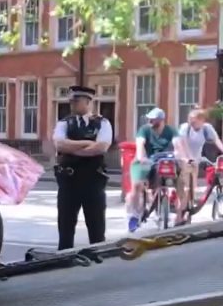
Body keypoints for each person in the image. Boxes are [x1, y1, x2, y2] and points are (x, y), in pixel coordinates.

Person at [52, 85, 113, 250]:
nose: (72, 105)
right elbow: (59, 144)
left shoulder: (102, 123)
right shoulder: (64, 123)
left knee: (96, 229)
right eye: (71, 101)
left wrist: (73, 149)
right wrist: (87, 144)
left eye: (76, 101)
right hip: (69, 182)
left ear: (87, 102)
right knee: (65, 228)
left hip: (93, 181)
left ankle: (98, 262)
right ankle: (64, 261)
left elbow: (101, 147)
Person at [125, 107, 178, 232]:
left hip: (162, 161)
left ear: (161, 120)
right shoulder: (144, 130)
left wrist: (180, 155)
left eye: (152, 119)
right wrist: (141, 157)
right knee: (137, 186)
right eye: (149, 118)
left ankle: (165, 209)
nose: (149, 121)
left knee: (166, 180)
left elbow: (177, 144)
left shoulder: (170, 130)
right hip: (143, 161)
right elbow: (140, 144)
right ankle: (133, 216)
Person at [174, 107, 223, 224]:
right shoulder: (185, 128)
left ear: (202, 120)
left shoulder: (207, 129)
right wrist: (187, 158)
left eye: (194, 120)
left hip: (195, 160)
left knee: (192, 189)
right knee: (185, 188)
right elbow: (182, 144)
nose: (191, 121)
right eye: (190, 119)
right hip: (182, 157)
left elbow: (217, 141)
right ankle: (178, 216)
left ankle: (188, 211)